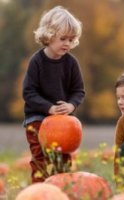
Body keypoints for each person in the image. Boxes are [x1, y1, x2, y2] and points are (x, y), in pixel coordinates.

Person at [22, 6, 85, 183]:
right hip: (37, 117)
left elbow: (78, 90)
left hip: (63, 121)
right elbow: (28, 92)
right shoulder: (37, 62)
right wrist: (48, 108)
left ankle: (60, 187)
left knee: (62, 159)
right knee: (40, 157)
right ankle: (39, 190)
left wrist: (71, 105)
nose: (67, 43)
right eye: (63, 38)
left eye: (71, 40)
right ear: (49, 36)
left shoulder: (71, 63)